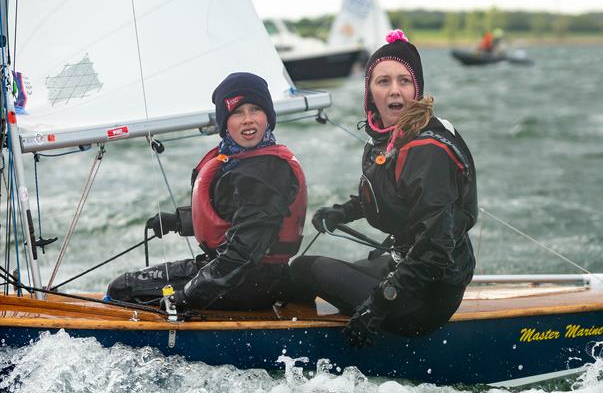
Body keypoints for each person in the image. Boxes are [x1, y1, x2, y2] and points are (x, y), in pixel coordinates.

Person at [290, 29, 478, 347]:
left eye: (404, 81)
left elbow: (434, 249)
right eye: (383, 81)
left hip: (425, 298)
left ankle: (290, 341)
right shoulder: (387, 137)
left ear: (416, 89)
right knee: (335, 271)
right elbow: (392, 195)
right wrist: (342, 212)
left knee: (303, 269)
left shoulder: (426, 149)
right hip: (406, 267)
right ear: (370, 93)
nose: (395, 91)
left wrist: (378, 305)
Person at [107, 72, 308, 312]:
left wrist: (189, 294)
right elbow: (233, 215)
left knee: (124, 289)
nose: (248, 120)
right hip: (239, 276)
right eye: (236, 112)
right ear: (225, 122)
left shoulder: (267, 172)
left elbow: (244, 253)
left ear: (268, 116)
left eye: (256, 109)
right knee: (126, 288)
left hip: (250, 283)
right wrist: (180, 221)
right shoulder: (239, 161)